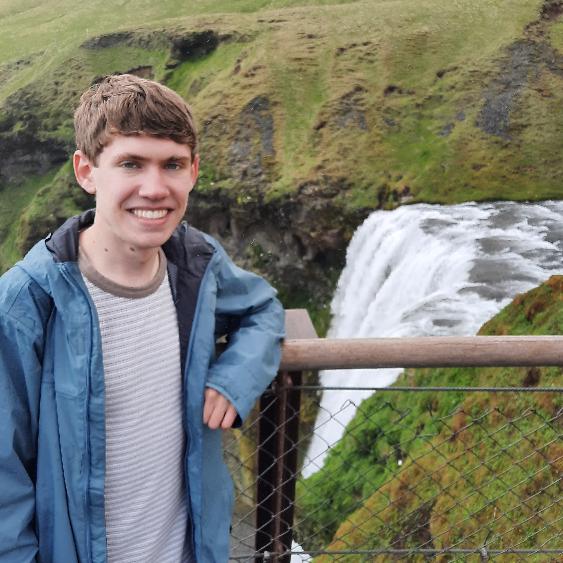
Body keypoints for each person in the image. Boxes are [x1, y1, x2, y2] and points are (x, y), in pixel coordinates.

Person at [0, 74, 285, 562]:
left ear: (194, 171)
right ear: (86, 171)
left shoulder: (197, 262)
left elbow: (263, 309)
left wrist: (234, 378)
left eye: (172, 164)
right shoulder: (27, 302)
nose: (154, 189)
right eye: (131, 163)